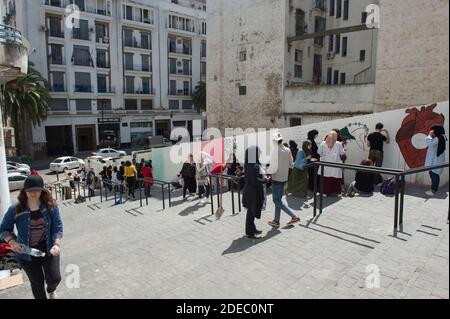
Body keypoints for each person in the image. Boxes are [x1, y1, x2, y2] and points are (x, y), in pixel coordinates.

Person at [0, 175, 63, 299]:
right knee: (37, 283)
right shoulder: (16, 208)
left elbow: (58, 226)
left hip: (48, 248)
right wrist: (13, 243)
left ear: (42, 190)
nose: (33, 193)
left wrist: (56, 244)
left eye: (37, 190)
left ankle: (51, 290)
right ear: (25, 191)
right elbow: (4, 229)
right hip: (26, 253)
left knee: (54, 278)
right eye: (30, 190)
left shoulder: (50, 205)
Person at [266, 133, 301, 227]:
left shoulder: (274, 151)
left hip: (276, 178)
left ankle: (294, 216)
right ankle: (276, 220)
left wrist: (267, 172)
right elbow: (291, 165)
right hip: (284, 178)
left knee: (276, 201)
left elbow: (272, 167)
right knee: (279, 200)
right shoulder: (288, 150)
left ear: (274, 141)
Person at [242, 146, 269, 239]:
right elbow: (255, 180)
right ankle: (250, 233)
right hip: (253, 192)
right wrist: (265, 180)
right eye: (258, 152)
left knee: (251, 211)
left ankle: (252, 229)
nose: (260, 154)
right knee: (251, 212)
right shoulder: (254, 165)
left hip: (249, 191)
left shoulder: (249, 163)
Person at [317, 131, 346, 195]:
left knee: (326, 180)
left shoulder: (323, 143)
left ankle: (326, 192)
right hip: (335, 165)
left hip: (325, 166)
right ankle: (334, 192)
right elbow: (342, 153)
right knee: (335, 179)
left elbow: (319, 152)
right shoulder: (338, 144)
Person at [425, 125, 447, 196]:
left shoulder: (438, 138)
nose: (432, 132)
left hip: (435, 160)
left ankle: (433, 190)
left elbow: (429, 143)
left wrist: (429, 135)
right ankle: (433, 188)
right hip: (435, 160)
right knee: (433, 174)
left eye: (433, 131)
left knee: (435, 174)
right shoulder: (440, 137)